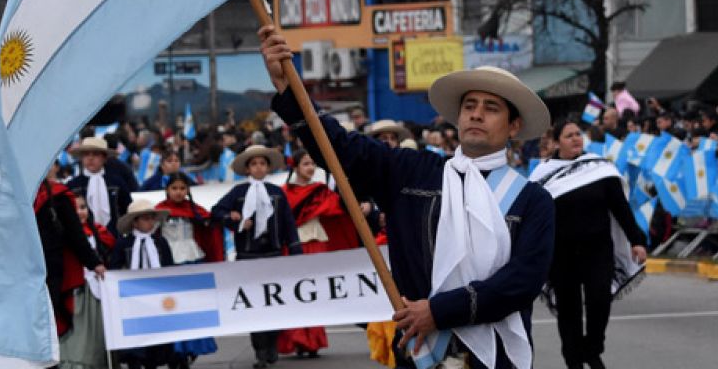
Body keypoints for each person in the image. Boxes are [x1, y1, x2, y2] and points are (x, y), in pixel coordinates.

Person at [259, 25, 555, 369]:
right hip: (421, 355)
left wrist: (437, 312)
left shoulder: (534, 200)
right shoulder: (413, 170)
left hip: (496, 357)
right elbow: (339, 148)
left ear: (514, 126)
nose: (476, 113)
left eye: (491, 107)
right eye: (470, 105)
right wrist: (287, 86)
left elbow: (523, 281)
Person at [529, 121, 648, 369]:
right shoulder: (543, 174)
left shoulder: (599, 168)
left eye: (578, 135)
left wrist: (637, 240)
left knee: (599, 300)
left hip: (597, 250)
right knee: (568, 310)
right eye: (569, 135)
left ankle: (592, 349)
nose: (575, 139)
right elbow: (534, 217)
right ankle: (573, 360)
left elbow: (620, 207)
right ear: (557, 141)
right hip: (562, 255)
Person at [212, 145, 303, 368]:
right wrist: (233, 219)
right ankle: (260, 351)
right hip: (248, 255)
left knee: (275, 302)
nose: (258, 167)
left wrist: (295, 250)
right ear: (247, 169)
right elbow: (216, 211)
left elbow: (288, 223)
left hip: (273, 253)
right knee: (254, 304)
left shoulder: (276, 192)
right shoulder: (239, 192)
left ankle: (272, 343)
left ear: (268, 167)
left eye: (262, 163)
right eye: (254, 164)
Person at [277, 149, 359, 359]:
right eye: (305, 164)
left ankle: (313, 340)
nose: (311, 168)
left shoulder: (320, 190)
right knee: (296, 291)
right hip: (295, 245)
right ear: (295, 166)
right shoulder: (284, 192)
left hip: (316, 243)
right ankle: (297, 339)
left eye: (312, 163)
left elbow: (337, 208)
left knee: (314, 292)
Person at [36, 161, 108, 369]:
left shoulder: (24, 196)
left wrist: (93, 262)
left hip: (37, 270)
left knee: (42, 322)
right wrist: (94, 263)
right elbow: (74, 234)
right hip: (49, 269)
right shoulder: (56, 195)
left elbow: (75, 234)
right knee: (49, 319)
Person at [155, 173, 222, 362]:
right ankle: (176, 349)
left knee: (193, 305)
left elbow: (210, 226)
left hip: (193, 257)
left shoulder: (195, 210)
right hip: (170, 260)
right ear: (167, 189)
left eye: (182, 188)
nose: (178, 192)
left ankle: (192, 347)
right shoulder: (160, 211)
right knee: (173, 305)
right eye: (174, 188)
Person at [109, 199, 184, 369]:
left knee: (162, 333)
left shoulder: (160, 242)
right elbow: (114, 267)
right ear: (134, 222)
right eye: (145, 218)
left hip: (159, 295)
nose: (150, 222)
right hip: (134, 298)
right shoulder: (125, 244)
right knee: (138, 336)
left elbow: (169, 266)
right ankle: (137, 360)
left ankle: (164, 359)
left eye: (152, 218)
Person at [63, 194, 116, 369]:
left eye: (83, 207)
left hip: (97, 288)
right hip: (76, 287)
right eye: (75, 209)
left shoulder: (98, 231)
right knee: (79, 333)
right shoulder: (63, 234)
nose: (80, 212)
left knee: (97, 331)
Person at [67, 137, 133, 234]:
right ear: (81, 158)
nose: (90, 158)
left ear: (104, 158)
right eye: (86, 154)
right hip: (84, 237)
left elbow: (127, 208)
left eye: (96, 154)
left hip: (114, 235)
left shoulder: (116, 182)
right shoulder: (73, 185)